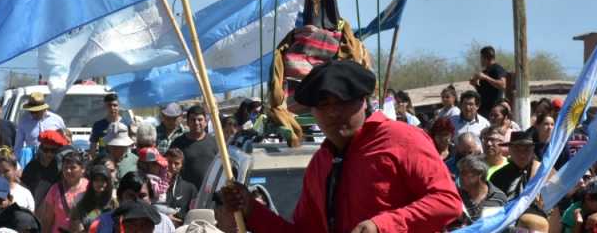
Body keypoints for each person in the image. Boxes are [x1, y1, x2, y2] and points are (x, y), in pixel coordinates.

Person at [220, 60, 463, 232]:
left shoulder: (402, 138)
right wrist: (252, 210)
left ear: (363, 101)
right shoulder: (320, 164)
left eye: (343, 101)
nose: (333, 112)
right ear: (313, 111)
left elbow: (447, 202)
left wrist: (382, 226)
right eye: (323, 104)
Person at [87, 172, 176, 233]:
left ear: (151, 198)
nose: (137, 201)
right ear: (119, 198)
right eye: (131, 196)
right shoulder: (102, 223)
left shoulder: (164, 224)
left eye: (142, 196)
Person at [450, 155, 506, 229]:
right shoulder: (456, 196)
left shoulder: (498, 197)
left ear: (479, 174)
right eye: (459, 172)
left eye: (464, 173)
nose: (460, 176)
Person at [39, 150, 88, 233]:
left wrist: (85, 221)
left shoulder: (89, 187)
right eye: (65, 168)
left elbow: (97, 213)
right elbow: (47, 220)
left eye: (73, 167)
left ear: (83, 169)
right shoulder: (55, 189)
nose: (68, 171)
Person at [169, 106, 217, 190]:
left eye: (200, 119)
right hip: (186, 193)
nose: (196, 123)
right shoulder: (178, 143)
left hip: (210, 193)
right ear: (187, 122)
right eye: (193, 120)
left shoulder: (215, 142)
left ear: (206, 122)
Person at [490, 130, 540, 199]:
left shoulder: (542, 172)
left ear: (533, 150)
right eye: (517, 150)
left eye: (527, 150)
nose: (522, 155)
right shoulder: (498, 177)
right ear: (509, 150)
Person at [19, 130, 67, 201]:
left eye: (53, 151)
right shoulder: (31, 167)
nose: (49, 154)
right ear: (41, 149)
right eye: (46, 150)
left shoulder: (60, 168)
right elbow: (23, 187)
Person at [68, 165, 117, 233]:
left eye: (103, 180)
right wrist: (79, 226)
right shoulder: (82, 200)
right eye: (96, 180)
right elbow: (74, 219)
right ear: (91, 182)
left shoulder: (112, 202)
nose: (100, 183)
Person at [469, 46, 507, 118]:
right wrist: (474, 84)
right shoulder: (485, 71)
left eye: (481, 58)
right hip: (483, 110)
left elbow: (502, 85)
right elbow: (484, 92)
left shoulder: (497, 69)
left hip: (493, 111)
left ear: (485, 58)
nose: (480, 60)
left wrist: (485, 77)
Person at [163, 148, 197, 223]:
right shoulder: (153, 185)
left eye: (176, 163)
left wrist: (178, 219)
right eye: (169, 162)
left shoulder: (190, 189)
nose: (172, 166)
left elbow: (193, 216)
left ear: (182, 165)